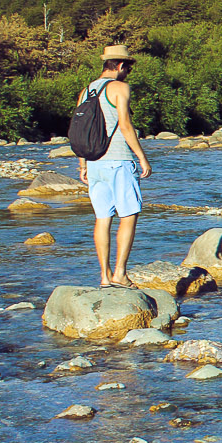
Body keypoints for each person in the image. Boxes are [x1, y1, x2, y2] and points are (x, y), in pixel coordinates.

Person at [78, 44, 152, 288]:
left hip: (94, 161)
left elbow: (81, 130)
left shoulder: (86, 91)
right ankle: (120, 273)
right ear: (120, 66)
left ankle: (104, 277)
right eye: (128, 68)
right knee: (129, 215)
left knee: (102, 218)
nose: (128, 72)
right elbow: (125, 125)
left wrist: (83, 164)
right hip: (118, 160)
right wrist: (141, 156)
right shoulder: (120, 88)